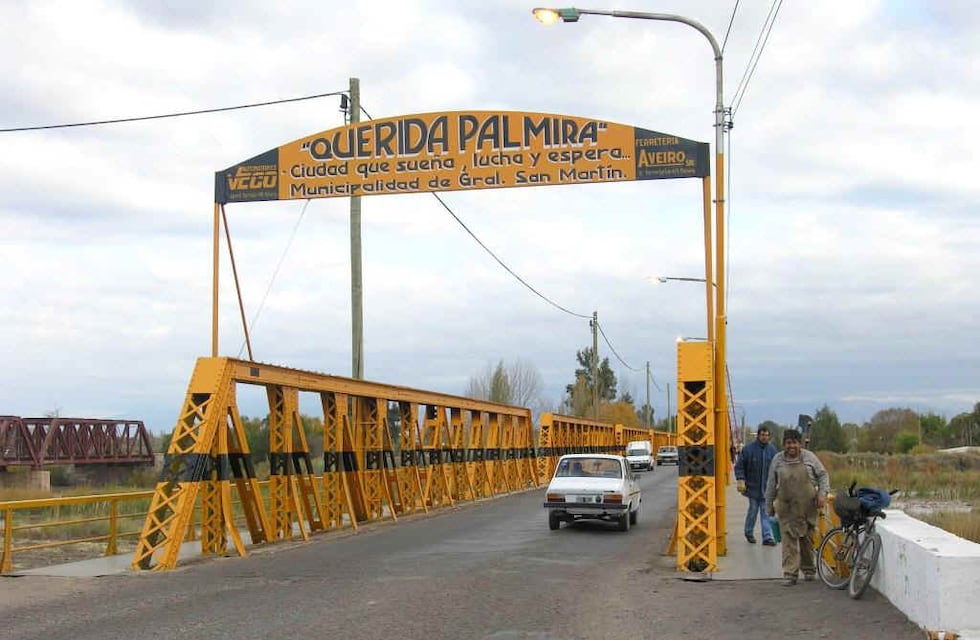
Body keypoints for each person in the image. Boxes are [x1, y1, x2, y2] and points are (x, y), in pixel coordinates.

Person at [765, 429, 830, 586]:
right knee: (788, 541)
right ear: (784, 444)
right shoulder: (777, 460)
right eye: (788, 443)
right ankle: (790, 574)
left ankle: (809, 570)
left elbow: (823, 475)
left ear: (799, 444)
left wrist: (822, 494)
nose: (791, 446)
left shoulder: (809, 458)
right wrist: (769, 504)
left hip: (807, 506)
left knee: (807, 540)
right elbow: (771, 484)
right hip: (786, 507)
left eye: (794, 442)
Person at [734, 427, 777, 545]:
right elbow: (739, 466)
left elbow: (777, 468)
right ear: (758, 436)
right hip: (752, 488)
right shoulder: (748, 449)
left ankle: (767, 537)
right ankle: (748, 532)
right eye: (762, 435)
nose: (764, 437)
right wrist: (740, 479)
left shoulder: (772, 451)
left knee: (766, 512)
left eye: (767, 435)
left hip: (767, 489)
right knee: (753, 511)